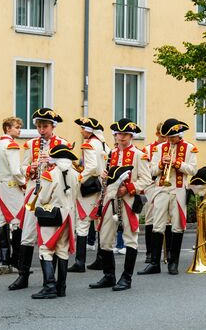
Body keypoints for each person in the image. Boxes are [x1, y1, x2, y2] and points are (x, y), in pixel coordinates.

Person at [9, 108, 69, 292]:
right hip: (34, 193)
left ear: (53, 126)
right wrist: (31, 169)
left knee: (53, 237)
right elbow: (22, 168)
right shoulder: (30, 145)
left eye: (45, 126)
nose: (42, 130)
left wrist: (52, 161)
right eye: (39, 126)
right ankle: (23, 275)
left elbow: (69, 168)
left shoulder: (63, 143)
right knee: (27, 234)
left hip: (54, 195)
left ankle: (53, 282)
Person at [89, 119, 152, 291]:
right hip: (110, 199)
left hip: (129, 200)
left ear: (131, 136)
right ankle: (109, 275)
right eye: (118, 134)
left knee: (130, 237)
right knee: (105, 237)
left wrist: (129, 188)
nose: (121, 137)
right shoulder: (111, 154)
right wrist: (104, 176)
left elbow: (146, 180)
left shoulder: (140, 155)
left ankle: (126, 278)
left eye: (125, 134)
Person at [140, 118, 197, 275]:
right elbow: (150, 171)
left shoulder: (190, 148)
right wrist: (160, 165)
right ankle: (154, 263)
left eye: (173, 137)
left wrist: (176, 163)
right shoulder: (159, 149)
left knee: (178, 226)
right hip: (161, 189)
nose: (171, 141)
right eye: (168, 137)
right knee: (157, 225)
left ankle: (173, 262)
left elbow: (193, 170)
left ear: (179, 135)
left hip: (179, 190)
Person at [31, 144, 80, 299]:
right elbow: (75, 196)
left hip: (51, 214)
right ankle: (61, 287)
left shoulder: (49, 174)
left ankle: (49, 286)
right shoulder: (76, 174)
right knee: (62, 249)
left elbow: (44, 198)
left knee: (46, 248)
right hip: (68, 215)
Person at [69, 117, 108, 272]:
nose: (81, 131)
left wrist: (78, 178)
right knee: (98, 221)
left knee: (83, 222)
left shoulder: (89, 144)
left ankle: (80, 262)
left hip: (90, 186)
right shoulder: (103, 143)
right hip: (101, 184)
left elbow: (91, 167)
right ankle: (100, 259)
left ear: (88, 130)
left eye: (83, 128)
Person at [0, 116, 26, 267]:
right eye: (16, 127)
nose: (19, 130)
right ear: (7, 128)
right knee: (17, 220)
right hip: (11, 186)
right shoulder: (12, 145)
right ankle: (16, 257)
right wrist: (24, 183)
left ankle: (5, 257)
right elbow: (15, 170)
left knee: (2, 220)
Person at [140, 122, 166, 266]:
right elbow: (145, 169)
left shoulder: (170, 149)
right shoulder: (148, 149)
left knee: (165, 219)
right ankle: (150, 253)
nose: (165, 139)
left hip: (165, 186)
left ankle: (166, 252)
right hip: (151, 185)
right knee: (150, 219)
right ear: (157, 134)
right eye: (162, 136)